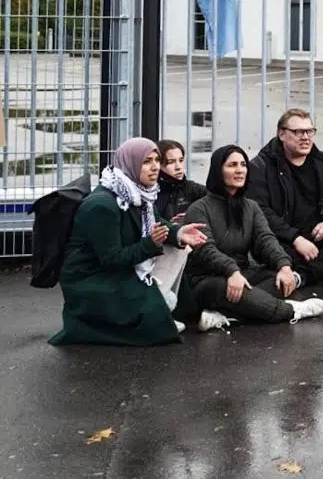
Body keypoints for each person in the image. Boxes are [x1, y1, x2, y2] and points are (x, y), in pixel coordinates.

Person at [50, 138, 209, 346]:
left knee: (178, 248)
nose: (155, 167)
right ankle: (145, 310)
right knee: (156, 325)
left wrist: (179, 233)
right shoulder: (103, 205)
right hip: (91, 279)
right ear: (130, 163)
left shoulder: (136, 192)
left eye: (157, 160)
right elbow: (111, 260)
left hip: (114, 270)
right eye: (146, 162)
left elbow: (156, 222)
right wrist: (150, 244)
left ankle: (158, 304)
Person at [184, 145, 323, 329]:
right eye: (232, 165)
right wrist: (231, 271)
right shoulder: (198, 209)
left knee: (277, 278)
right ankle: (291, 311)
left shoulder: (251, 207)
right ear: (218, 171)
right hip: (207, 280)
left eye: (243, 164)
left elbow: (265, 239)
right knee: (222, 287)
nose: (240, 170)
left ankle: (226, 315)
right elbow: (205, 249)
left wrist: (284, 265)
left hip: (243, 275)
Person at [247, 108, 323, 285]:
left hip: (317, 235)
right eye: (298, 132)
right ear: (281, 134)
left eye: (310, 131)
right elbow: (260, 212)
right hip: (282, 238)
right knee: (276, 252)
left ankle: (302, 276)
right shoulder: (261, 166)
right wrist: (295, 239)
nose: (306, 137)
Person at [155, 139, 208, 222]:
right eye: (171, 162)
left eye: (181, 160)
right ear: (158, 164)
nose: (178, 167)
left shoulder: (191, 188)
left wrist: (194, 216)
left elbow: (218, 201)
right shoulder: (149, 192)